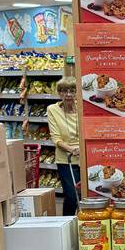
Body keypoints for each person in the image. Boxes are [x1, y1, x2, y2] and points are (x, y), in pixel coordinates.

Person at [46, 75, 81, 212]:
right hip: (66, 160)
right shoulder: (52, 110)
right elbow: (56, 139)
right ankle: (68, 221)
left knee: (84, 195)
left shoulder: (83, 108)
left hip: (85, 158)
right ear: (59, 93)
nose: (68, 94)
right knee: (72, 196)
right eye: (64, 91)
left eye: (72, 91)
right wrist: (72, 149)